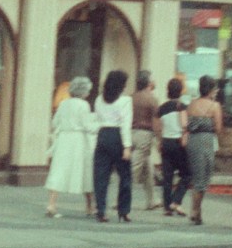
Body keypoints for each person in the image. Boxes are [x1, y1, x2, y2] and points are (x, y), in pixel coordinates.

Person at [45, 76, 94, 218]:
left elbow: (55, 123)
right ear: (83, 91)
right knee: (85, 171)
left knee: (59, 169)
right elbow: (87, 125)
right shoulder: (84, 105)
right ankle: (89, 206)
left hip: (64, 139)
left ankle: (51, 203)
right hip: (79, 140)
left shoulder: (63, 104)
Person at [90, 70, 134, 223]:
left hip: (102, 135)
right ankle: (124, 210)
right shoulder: (125, 100)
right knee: (125, 175)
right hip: (118, 136)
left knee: (101, 176)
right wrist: (127, 146)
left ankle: (101, 210)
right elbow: (125, 124)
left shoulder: (99, 99)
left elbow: (96, 118)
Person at [183, 76, 224, 226]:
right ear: (212, 90)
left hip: (193, 141)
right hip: (206, 141)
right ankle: (195, 210)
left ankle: (197, 212)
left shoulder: (192, 104)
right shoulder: (215, 106)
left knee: (196, 176)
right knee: (204, 178)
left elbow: (187, 124)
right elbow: (218, 128)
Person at [158, 76, 191, 217]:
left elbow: (158, 127)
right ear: (180, 92)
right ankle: (176, 201)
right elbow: (184, 125)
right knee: (187, 174)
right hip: (178, 142)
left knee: (167, 176)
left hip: (166, 141)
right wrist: (185, 136)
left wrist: (160, 141)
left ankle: (167, 207)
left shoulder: (162, 108)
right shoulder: (181, 106)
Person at [129, 71, 160, 210]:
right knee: (134, 168)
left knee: (147, 167)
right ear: (148, 83)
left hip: (130, 132)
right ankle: (122, 199)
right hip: (145, 134)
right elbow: (156, 122)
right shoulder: (152, 99)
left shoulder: (131, 97)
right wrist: (159, 139)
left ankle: (152, 199)